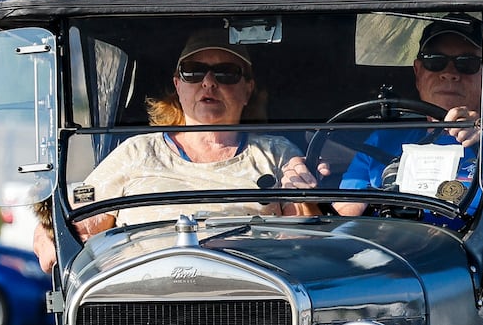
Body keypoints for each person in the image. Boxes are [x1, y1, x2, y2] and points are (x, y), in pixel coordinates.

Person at [33, 29, 308, 272]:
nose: (209, 82)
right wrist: (51, 232)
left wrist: (303, 196)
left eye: (226, 73)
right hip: (141, 298)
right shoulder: (137, 152)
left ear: (248, 89)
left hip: (248, 296)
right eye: (193, 71)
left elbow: (303, 242)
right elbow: (73, 225)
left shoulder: (276, 153)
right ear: (178, 84)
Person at [280, 14, 483, 246]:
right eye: (435, 61)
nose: (449, 72)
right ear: (418, 72)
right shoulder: (382, 141)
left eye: (467, 64)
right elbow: (346, 216)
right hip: (395, 265)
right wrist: (305, 196)